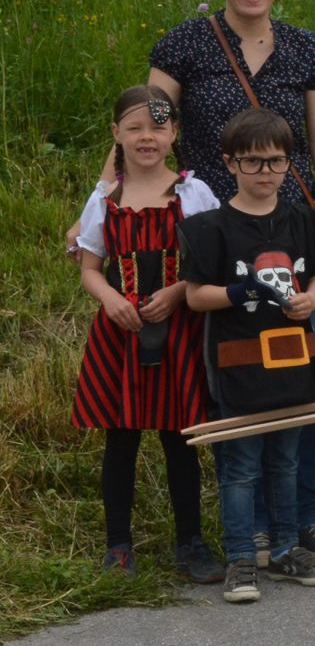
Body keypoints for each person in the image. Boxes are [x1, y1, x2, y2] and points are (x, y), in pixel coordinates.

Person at [136, 0, 315, 566]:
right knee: (237, 376)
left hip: (294, 233)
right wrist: (106, 196)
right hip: (220, 233)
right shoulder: (183, 47)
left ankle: (299, 515)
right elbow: (147, 130)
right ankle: (249, 524)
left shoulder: (307, 52)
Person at [180, 108, 315, 604]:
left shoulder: (306, 220)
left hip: (295, 361)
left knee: (287, 460)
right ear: (229, 164)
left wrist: (314, 297)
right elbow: (194, 296)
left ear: (290, 163)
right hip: (239, 364)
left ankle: (288, 548)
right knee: (242, 465)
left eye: (275, 161)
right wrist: (238, 289)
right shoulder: (209, 227)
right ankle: (242, 559)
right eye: (252, 162)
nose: (265, 172)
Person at [72, 85, 222, 581]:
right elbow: (91, 267)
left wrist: (179, 291)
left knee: (180, 440)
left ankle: (191, 544)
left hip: (179, 332)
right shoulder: (105, 199)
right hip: (121, 334)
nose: (147, 137)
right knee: (122, 440)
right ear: (116, 133)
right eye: (134, 127)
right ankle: (118, 546)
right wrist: (111, 299)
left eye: (158, 127)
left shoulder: (193, 194)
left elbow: (212, 261)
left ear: (174, 132)